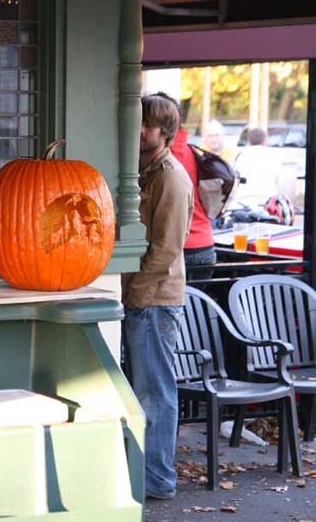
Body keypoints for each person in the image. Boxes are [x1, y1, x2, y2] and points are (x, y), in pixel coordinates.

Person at [122, 93, 194, 501]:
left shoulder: (170, 177)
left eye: (149, 125)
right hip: (142, 297)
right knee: (144, 390)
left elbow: (167, 248)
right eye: (139, 123)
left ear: (166, 131)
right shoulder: (142, 171)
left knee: (156, 393)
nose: (142, 131)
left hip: (154, 300)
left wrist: (136, 295)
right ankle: (149, 474)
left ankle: (157, 479)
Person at [160, 94, 216, 279]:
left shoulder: (160, 158)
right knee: (195, 308)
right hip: (205, 245)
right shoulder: (194, 152)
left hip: (178, 250)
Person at [233, 128, 281, 208]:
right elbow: (279, 182)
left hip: (243, 204)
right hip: (267, 203)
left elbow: (234, 181)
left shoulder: (240, 157)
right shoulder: (273, 156)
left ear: (249, 141)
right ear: (265, 141)